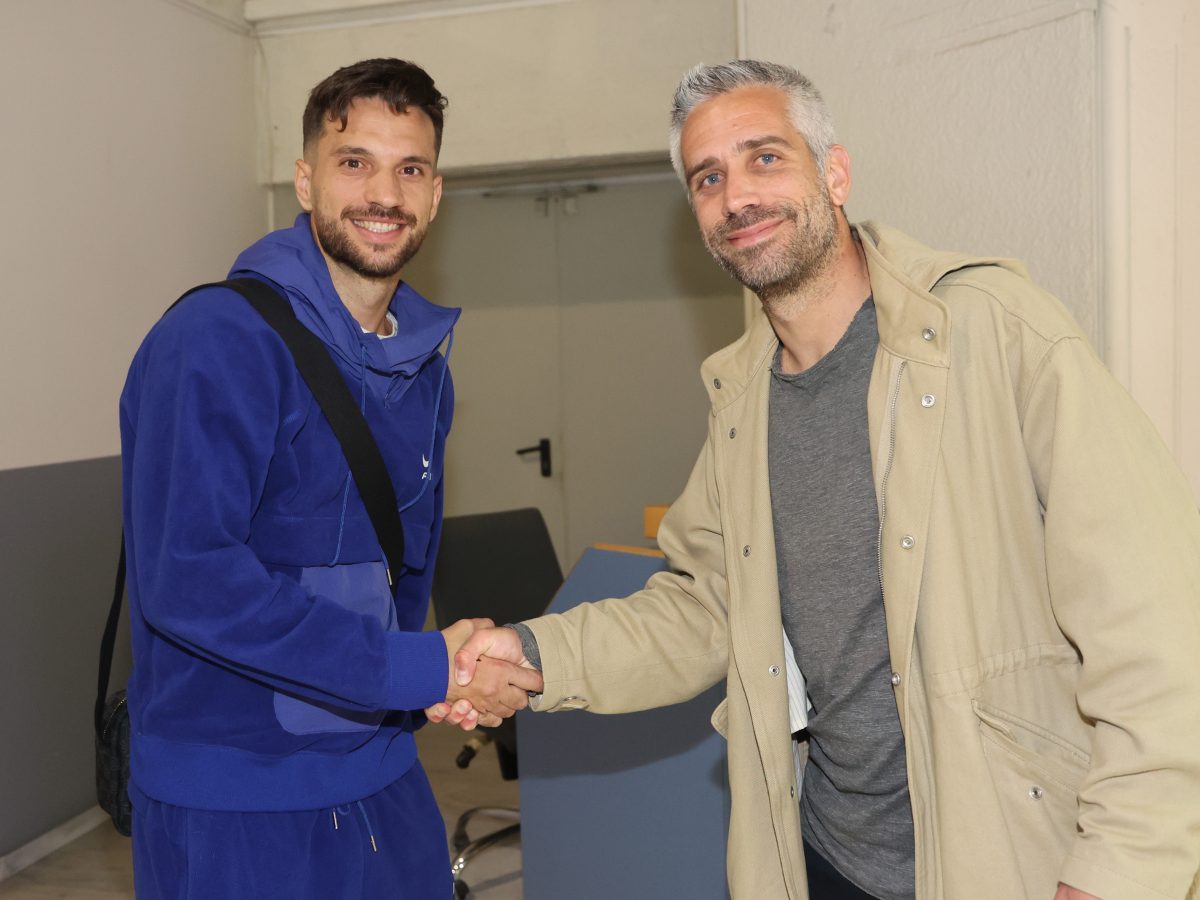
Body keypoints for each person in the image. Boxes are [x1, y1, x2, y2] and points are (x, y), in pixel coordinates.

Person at [439, 60, 1200, 899]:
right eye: (708, 177)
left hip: (1007, 860)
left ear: (834, 174)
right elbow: (703, 607)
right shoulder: (743, 400)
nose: (737, 196)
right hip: (826, 856)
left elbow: (1157, 625)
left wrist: (1119, 871)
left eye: (765, 157)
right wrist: (534, 653)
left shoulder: (997, 334)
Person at [119, 58, 542, 899]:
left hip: (384, 775)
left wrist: (430, 678)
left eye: (409, 169)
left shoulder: (425, 371)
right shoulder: (218, 339)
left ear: (435, 194)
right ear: (307, 181)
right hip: (237, 800)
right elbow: (190, 578)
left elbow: (401, 579)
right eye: (355, 162)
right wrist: (421, 670)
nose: (383, 193)